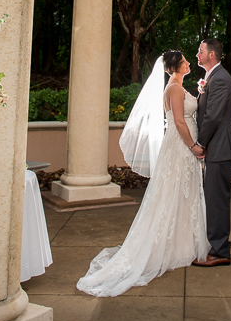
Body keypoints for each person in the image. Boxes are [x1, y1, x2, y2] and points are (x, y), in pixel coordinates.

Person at [76, 50, 208, 297]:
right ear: (177, 66)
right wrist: (193, 146)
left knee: (180, 192)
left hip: (179, 145)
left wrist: (200, 94)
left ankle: (180, 245)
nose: (190, 62)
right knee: (175, 192)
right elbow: (179, 122)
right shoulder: (175, 89)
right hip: (181, 146)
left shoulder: (176, 87)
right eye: (186, 61)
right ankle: (172, 247)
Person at [193, 38, 231, 267]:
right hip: (217, 149)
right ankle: (217, 247)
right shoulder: (213, 77)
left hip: (220, 148)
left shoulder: (220, 79)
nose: (197, 54)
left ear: (211, 55)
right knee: (214, 200)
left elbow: (213, 116)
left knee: (217, 201)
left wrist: (200, 143)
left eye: (200, 51)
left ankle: (220, 251)